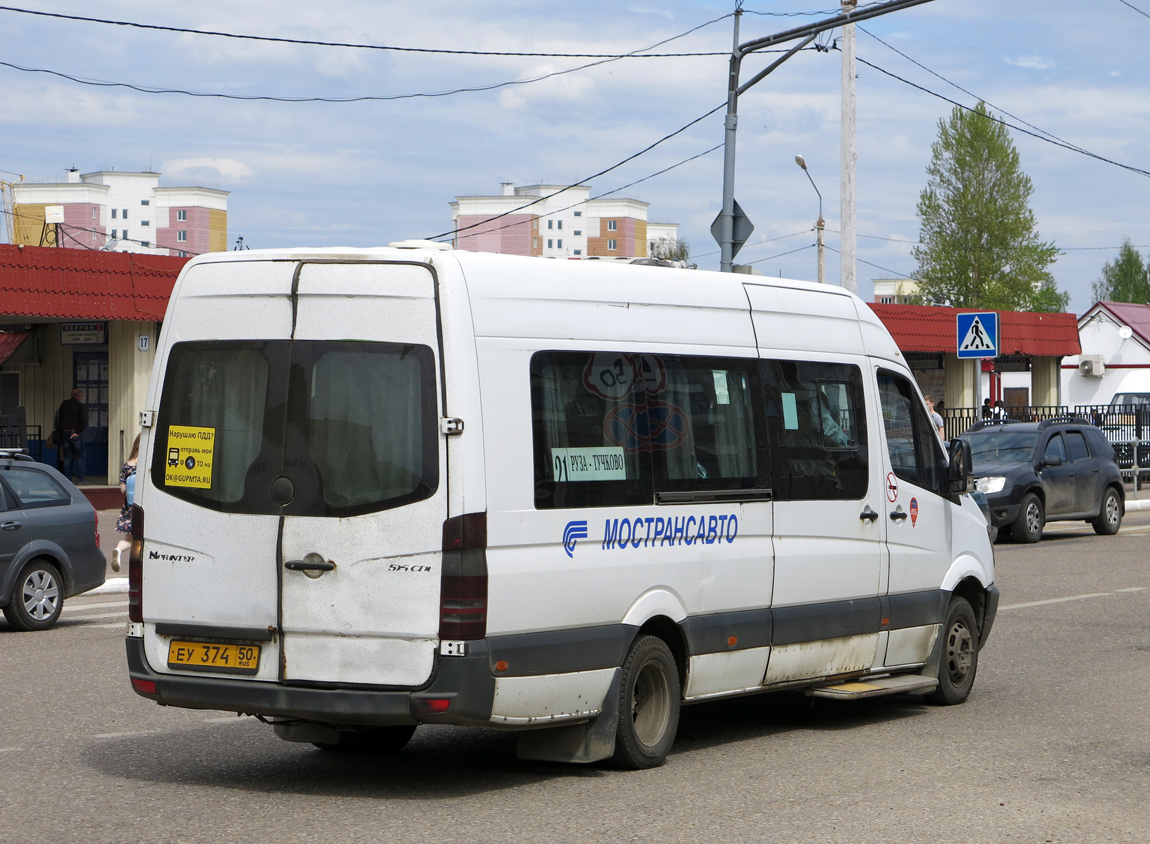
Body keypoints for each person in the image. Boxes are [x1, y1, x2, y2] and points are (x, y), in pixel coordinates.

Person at [111, 434, 140, 573]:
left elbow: (123, 490)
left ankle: (118, 549)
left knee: (128, 539)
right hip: (144, 508)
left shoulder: (127, 466)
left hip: (129, 509)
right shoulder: (147, 464)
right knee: (144, 539)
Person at [57, 388, 87, 484]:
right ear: (79, 396)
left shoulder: (64, 404)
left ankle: (67, 480)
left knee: (67, 457)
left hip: (65, 433)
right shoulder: (80, 406)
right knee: (81, 456)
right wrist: (77, 432)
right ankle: (80, 479)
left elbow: (59, 418)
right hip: (75, 433)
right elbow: (84, 421)